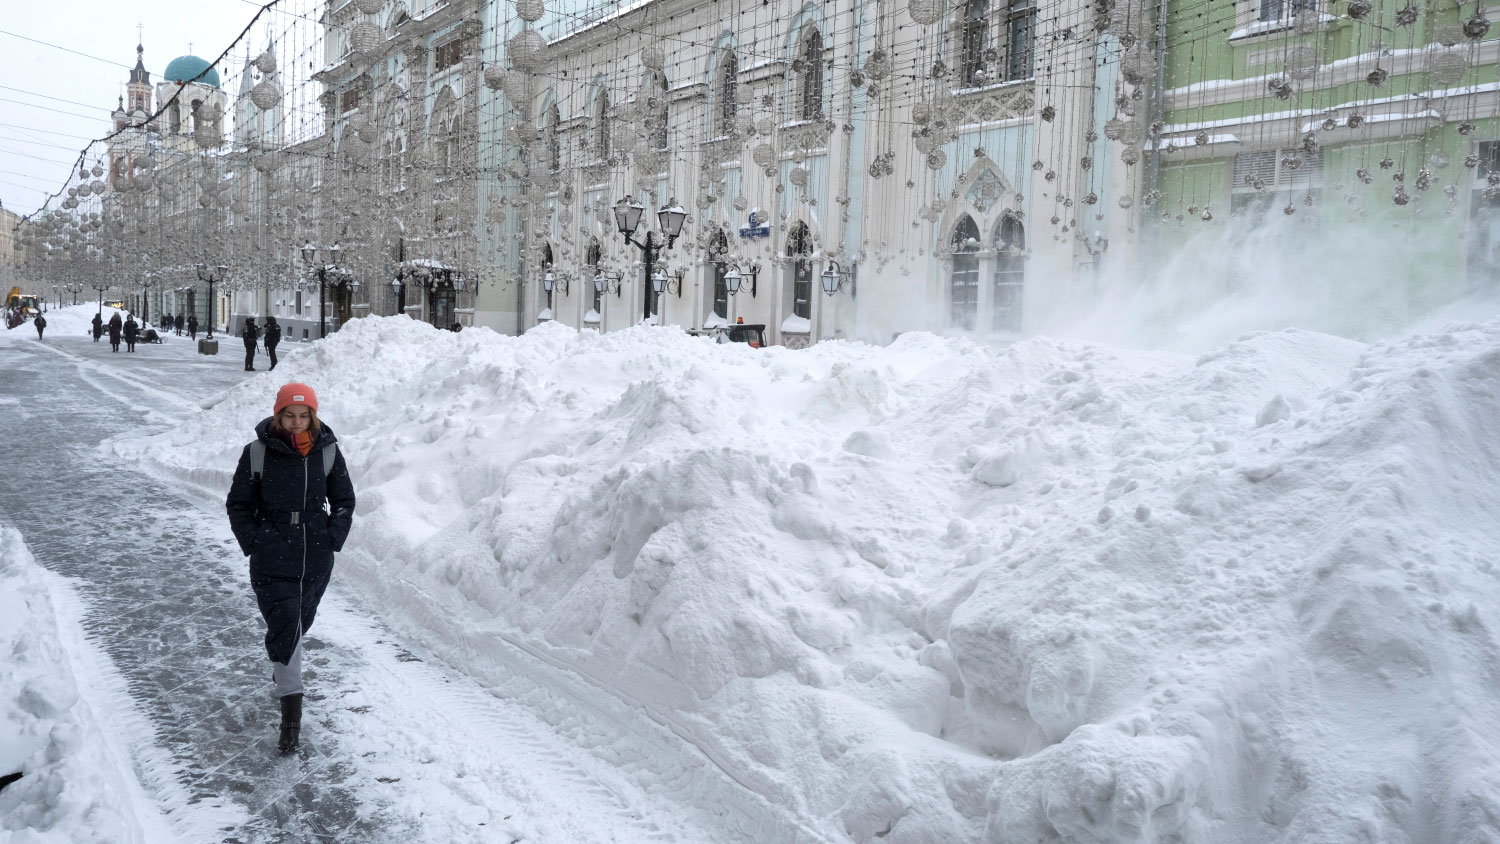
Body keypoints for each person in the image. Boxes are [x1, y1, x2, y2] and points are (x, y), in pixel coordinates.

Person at [225, 383, 355, 755]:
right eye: (289, 415)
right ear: (278, 414)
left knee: (298, 625)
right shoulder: (257, 452)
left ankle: (283, 671)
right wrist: (254, 542)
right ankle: (291, 722)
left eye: (304, 415)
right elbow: (238, 504)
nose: (297, 422)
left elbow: (344, 500)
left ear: (313, 416)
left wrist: (332, 536)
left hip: (315, 556)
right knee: (287, 631)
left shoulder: (327, 452)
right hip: (272, 554)